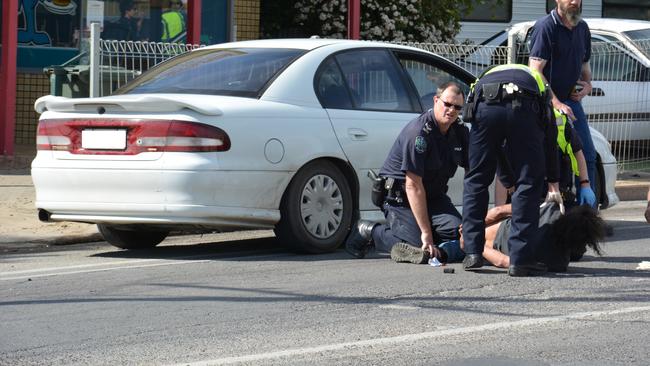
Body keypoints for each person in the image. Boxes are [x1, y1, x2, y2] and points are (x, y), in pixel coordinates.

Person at [345, 82, 469, 264]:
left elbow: (473, 173)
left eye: (457, 107)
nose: (451, 110)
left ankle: (424, 232)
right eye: (447, 104)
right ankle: (368, 231)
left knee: (461, 234)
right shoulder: (418, 133)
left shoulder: (459, 132)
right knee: (419, 246)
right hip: (400, 199)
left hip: (434, 198)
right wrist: (426, 234)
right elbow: (413, 185)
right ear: (436, 100)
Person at [460, 64, 562, 277]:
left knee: (476, 179)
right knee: (529, 182)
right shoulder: (540, 85)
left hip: (484, 106)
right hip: (523, 107)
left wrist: (508, 181)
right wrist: (553, 180)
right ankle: (520, 260)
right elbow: (550, 140)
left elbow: (495, 148)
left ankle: (472, 253)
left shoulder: (485, 76)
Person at [528, 0, 597, 207]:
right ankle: (551, 212)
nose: (574, 1)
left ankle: (587, 214)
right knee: (555, 156)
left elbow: (584, 63)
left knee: (587, 154)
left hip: (571, 102)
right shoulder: (545, 27)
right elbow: (535, 71)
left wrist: (587, 85)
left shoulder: (582, 28)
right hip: (546, 104)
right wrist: (556, 102)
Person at [457, 202, 605, 272]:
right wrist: (472, 244)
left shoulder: (550, 211)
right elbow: (503, 261)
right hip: (482, 248)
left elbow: (498, 211)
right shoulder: (558, 262)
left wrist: (472, 230)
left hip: (481, 238)